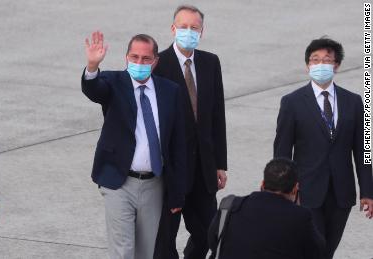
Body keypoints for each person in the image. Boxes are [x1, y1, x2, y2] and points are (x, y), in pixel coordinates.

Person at [81, 31, 186, 259]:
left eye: (146, 59)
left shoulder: (170, 91)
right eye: (134, 57)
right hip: (119, 182)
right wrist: (92, 66)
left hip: (154, 184)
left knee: (145, 253)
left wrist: (177, 191)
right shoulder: (113, 82)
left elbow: (177, 144)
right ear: (126, 57)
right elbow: (94, 89)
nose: (139, 62)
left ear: (155, 61)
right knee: (123, 251)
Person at [274, 37, 373, 259]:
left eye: (326, 60)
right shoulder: (292, 102)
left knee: (327, 249)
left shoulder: (353, 102)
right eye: (314, 60)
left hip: (341, 193)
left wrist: (367, 191)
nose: (320, 65)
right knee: (314, 249)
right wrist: (281, 190)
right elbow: (282, 150)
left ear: (336, 65)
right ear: (308, 65)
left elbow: (362, 149)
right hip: (305, 191)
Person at [152, 5, 227, 259]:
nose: (188, 32)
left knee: (209, 232)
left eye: (194, 28)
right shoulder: (158, 65)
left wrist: (220, 163)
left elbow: (217, 116)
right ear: (173, 29)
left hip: (203, 167)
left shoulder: (210, 62)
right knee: (165, 237)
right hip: (171, 169)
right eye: (183, 27)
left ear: (202, 32)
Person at [209, 158, 325, 259]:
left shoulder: (229, 205)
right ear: (295, 189)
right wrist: (297, 208)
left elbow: (213, 242)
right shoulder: (301, 217)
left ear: (263, 184)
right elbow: (318, 253)